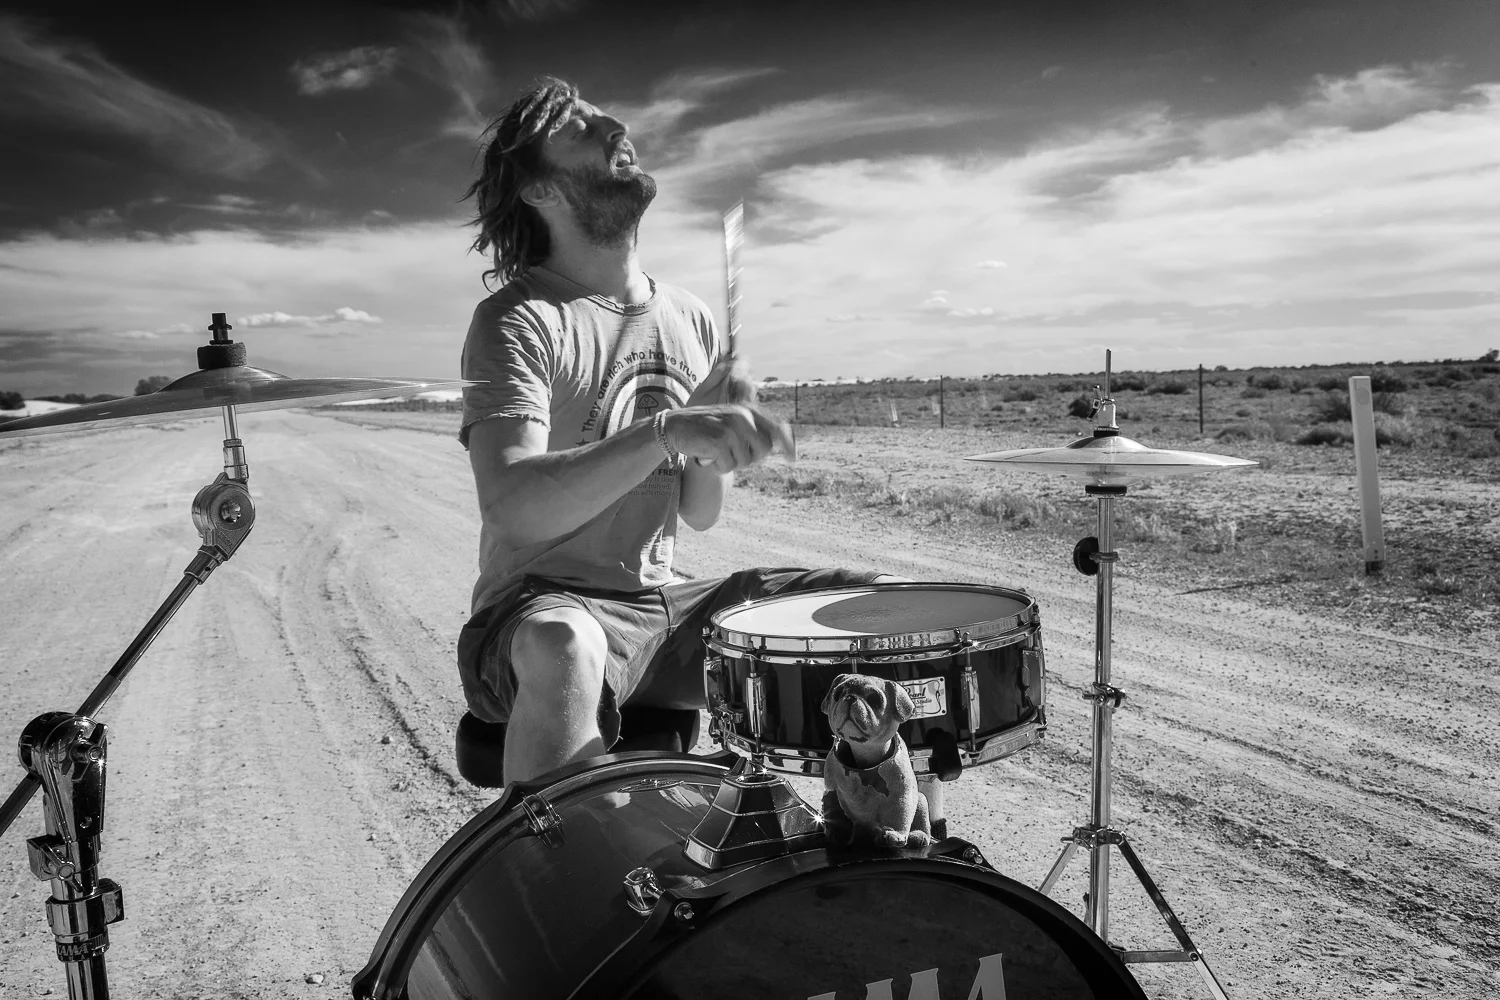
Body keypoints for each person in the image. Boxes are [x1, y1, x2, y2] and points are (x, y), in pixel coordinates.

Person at [455, 77, 894, 786]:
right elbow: (512, 507)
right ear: (542, 191)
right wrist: (668, 428)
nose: (614, 125)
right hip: (536, 614)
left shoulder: (689, 317)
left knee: (869, 607)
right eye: (580, 128)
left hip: (663, 611)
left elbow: (698, 511)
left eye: (605, 113)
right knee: (567, 642)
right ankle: (558, 878)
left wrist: (717, 443)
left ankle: (881, 841)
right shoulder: (520, 319)